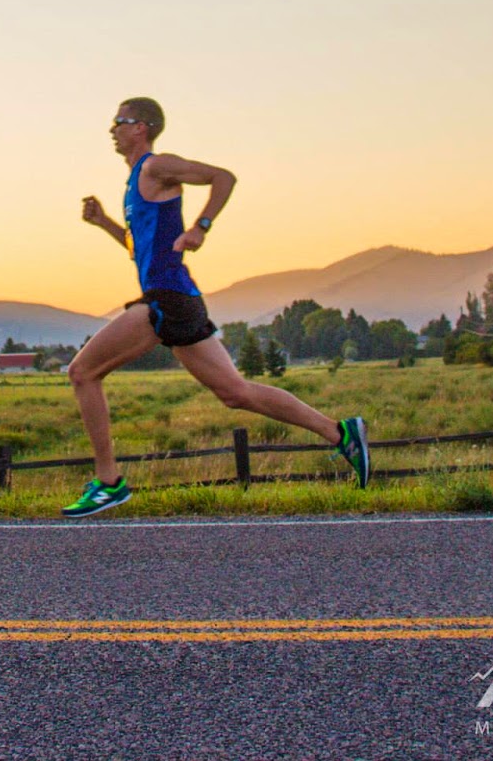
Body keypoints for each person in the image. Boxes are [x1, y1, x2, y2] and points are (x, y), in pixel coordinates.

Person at [61, 97, 369, 517]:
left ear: (142, 127)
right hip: (177, 298)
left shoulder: (156, 166)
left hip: (167, 298)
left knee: (82, 372)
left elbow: (223, 177)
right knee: (235, 392)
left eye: (119, 121)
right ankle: (340, 433)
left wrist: (200, 227)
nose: (111, 128)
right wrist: (105, 224)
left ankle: (109, 481)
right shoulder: (137, 183)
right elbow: (140, 252)